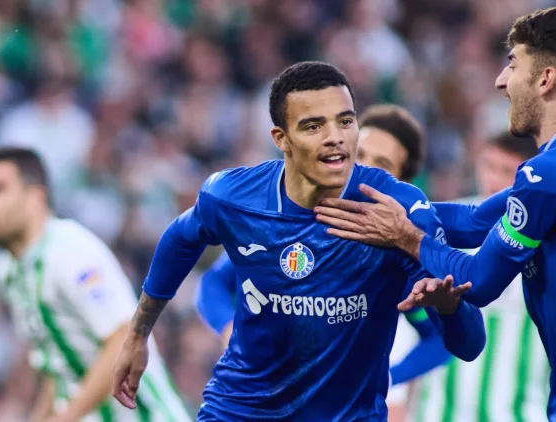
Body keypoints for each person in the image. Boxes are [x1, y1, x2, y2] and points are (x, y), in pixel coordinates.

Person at [314, 6, 556, 420]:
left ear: (546, 80)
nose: (501, 81)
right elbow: (472, 222)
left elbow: (479, 281)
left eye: (513, 64)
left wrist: (406, 237)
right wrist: (385, 208)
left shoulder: (553, 172)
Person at [111, 61, 486, 421]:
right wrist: (138, 333)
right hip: (238, 411)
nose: (335, 137)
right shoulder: (233, 197)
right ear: (281, 139)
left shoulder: (400, 214)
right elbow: (180, 239)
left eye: (345, 121)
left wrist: (449, 308)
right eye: (313, 126)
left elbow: (468, 346)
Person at [192, 103, 437, 421]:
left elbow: (439, 335)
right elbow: (214, 283)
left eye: (383, 164)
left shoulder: (396, 256)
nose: (363, 168)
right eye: (360, 153)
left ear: (402, 183)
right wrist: (230, 328)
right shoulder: (289, 218)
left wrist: (391, 375)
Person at [0, 147, 190, 422]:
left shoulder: (68, 252)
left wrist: (67, 417)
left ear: (35, 197)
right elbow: (58, 364)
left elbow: (121, 339)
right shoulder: (8, 271)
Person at [392, 132, 550, 422]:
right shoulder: (446, 228)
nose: (493, 179)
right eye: (489, 166)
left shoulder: (548, 244)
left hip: (519, 414)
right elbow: (414, 323)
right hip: (437, 413)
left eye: (507, 171)